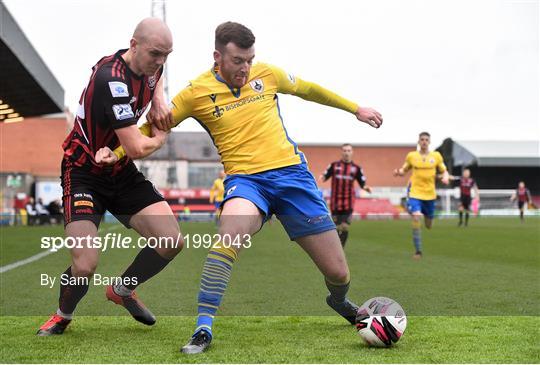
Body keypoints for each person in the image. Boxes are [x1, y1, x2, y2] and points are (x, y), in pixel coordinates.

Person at [104, 21, 383, 354]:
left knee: (338, 272)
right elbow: (151, 125)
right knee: (227, 238)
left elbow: (308, 88)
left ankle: (339, 301)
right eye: (238, 60)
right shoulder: (196, 92)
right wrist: (116, 152)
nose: (245, 67)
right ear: (217, 56)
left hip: (293, 178)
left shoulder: (267, 74)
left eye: (250, 59)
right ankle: (202, 329)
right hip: (246, 182)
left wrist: (356, 109)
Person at [36, 18, 184, 337]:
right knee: (86, 264)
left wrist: (158, 96)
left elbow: (154, 77)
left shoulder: (151, 67)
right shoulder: (111, 80)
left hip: (119, 170)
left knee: (171, 241)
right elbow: (136, 146)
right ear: (133, 45)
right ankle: (63, 315)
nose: (160, 62)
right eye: (156, 53)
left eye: (167, 55)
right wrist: (161, 137)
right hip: (84, 172)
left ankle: (122, 290)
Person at [393, 132, 449, 259]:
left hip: (429, 194)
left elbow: (444, 170)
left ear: (429, 142)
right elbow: (404, 169)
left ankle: (428, 219)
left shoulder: (436, 156)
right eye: (422, 139)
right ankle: (418, 251)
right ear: (418, 142)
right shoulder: (412, 156)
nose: (424, 141)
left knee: (428, 224)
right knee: (416, 217)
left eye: (426, 140)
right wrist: (398, 172)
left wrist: (445, 177)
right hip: (415, 192)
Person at [318, 144, 371, 247]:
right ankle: (336, 248)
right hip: (335, 201)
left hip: (349, 201)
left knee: (345, 226)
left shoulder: (356, 168)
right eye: (345, 150)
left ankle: (341, 248)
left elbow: (362, 183)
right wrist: (321, 178)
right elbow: (325, 176)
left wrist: (366, 188)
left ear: (352, 152)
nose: (346, 152)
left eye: (349, 150)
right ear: (341, 152)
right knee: (336, 227)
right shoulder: (334, 165)